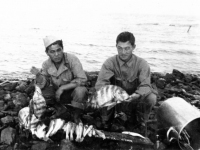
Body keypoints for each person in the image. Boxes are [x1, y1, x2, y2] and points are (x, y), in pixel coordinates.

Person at [95, 31, 157, 132]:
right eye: (120, 48)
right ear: (116, 47)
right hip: (115, 99)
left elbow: (146, 85)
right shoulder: (109, 63)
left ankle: (141, 121)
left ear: (133, 47)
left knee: (151, 98)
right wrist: (111, 95)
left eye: (127, 48)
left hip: (134, 98)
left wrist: (137, 95)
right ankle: (106, 120)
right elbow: (100, 84)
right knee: (100, 95)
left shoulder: (142, 64)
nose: (123, 52)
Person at [30, 36, 88, 123]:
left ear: (62, 49)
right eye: (52, 52)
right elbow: (44, 83)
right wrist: (38, 75)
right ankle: (60, 109)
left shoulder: (72, 59)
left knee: (81, 91)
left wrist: (62, 88)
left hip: (72, 94)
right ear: (47, 53)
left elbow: (82, 79)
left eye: (58, 50)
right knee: (41, 93)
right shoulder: (46, 64)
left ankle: (76, 115)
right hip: (57, 96)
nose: (56, 54)